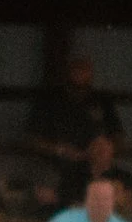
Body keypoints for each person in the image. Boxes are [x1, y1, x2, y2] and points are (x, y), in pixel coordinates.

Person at [26, 55, 124, 202]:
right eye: (76, 70)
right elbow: (32, 138)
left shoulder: (101, 100)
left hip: (92, 167)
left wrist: (102, 149)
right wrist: (60, 150)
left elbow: (117, 135)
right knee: (48, 196)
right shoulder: (49, 100)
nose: (80, 74)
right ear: (68, 73)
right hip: (55, 165)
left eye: (84, 70)